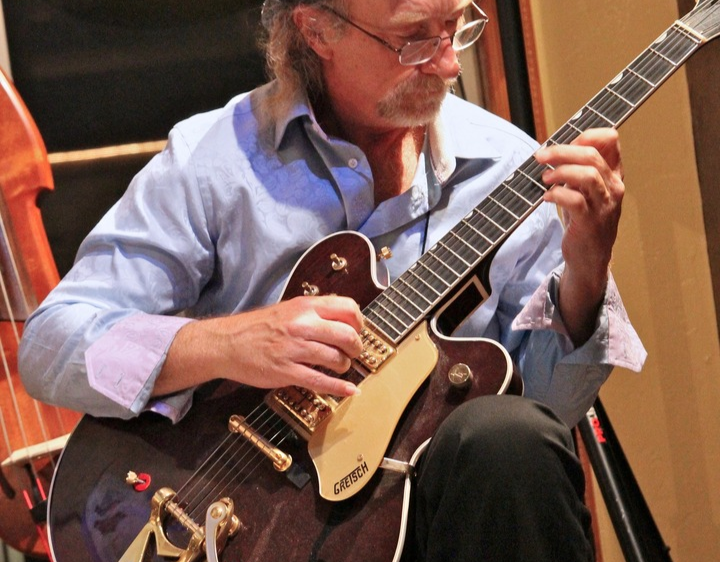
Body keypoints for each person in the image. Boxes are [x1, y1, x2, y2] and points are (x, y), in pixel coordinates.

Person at [19, 0, 647, 560]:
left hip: (438, 520)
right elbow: (51, 344)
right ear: (317, 29)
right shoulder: (214, 162)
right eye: (414, 39)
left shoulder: (510, 168)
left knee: (510, 440)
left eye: (455, 27)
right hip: (251, 520)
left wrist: (588, 267)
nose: (448, 64)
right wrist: (228, 344)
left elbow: (551, 415)